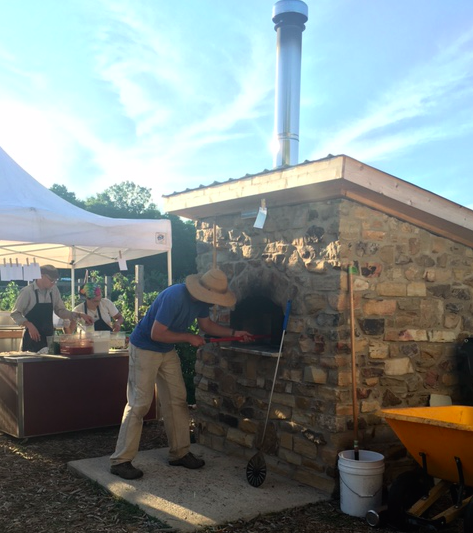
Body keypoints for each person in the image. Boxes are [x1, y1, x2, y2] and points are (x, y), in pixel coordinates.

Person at [110, 268, 252, 480]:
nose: (214, 302)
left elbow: (207, 325)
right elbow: (156, 333)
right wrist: (188, 337)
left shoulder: (201, 302)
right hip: (144, 349)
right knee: (139, 403)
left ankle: (180, 453)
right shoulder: (174, 296)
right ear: (203, 291)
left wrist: (234, 333)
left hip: (166, 351)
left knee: (177, 400)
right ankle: (121, 461)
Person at [10, 264, 94, 352]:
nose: (53, 283)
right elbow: (15, 314)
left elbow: (60, 311)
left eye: (55, 281)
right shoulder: (27, 292)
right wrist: (29, 325)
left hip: (48, 338)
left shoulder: (54, 290)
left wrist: (79, 315)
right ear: (41, 276)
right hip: (31, 340)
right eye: (51, 280)